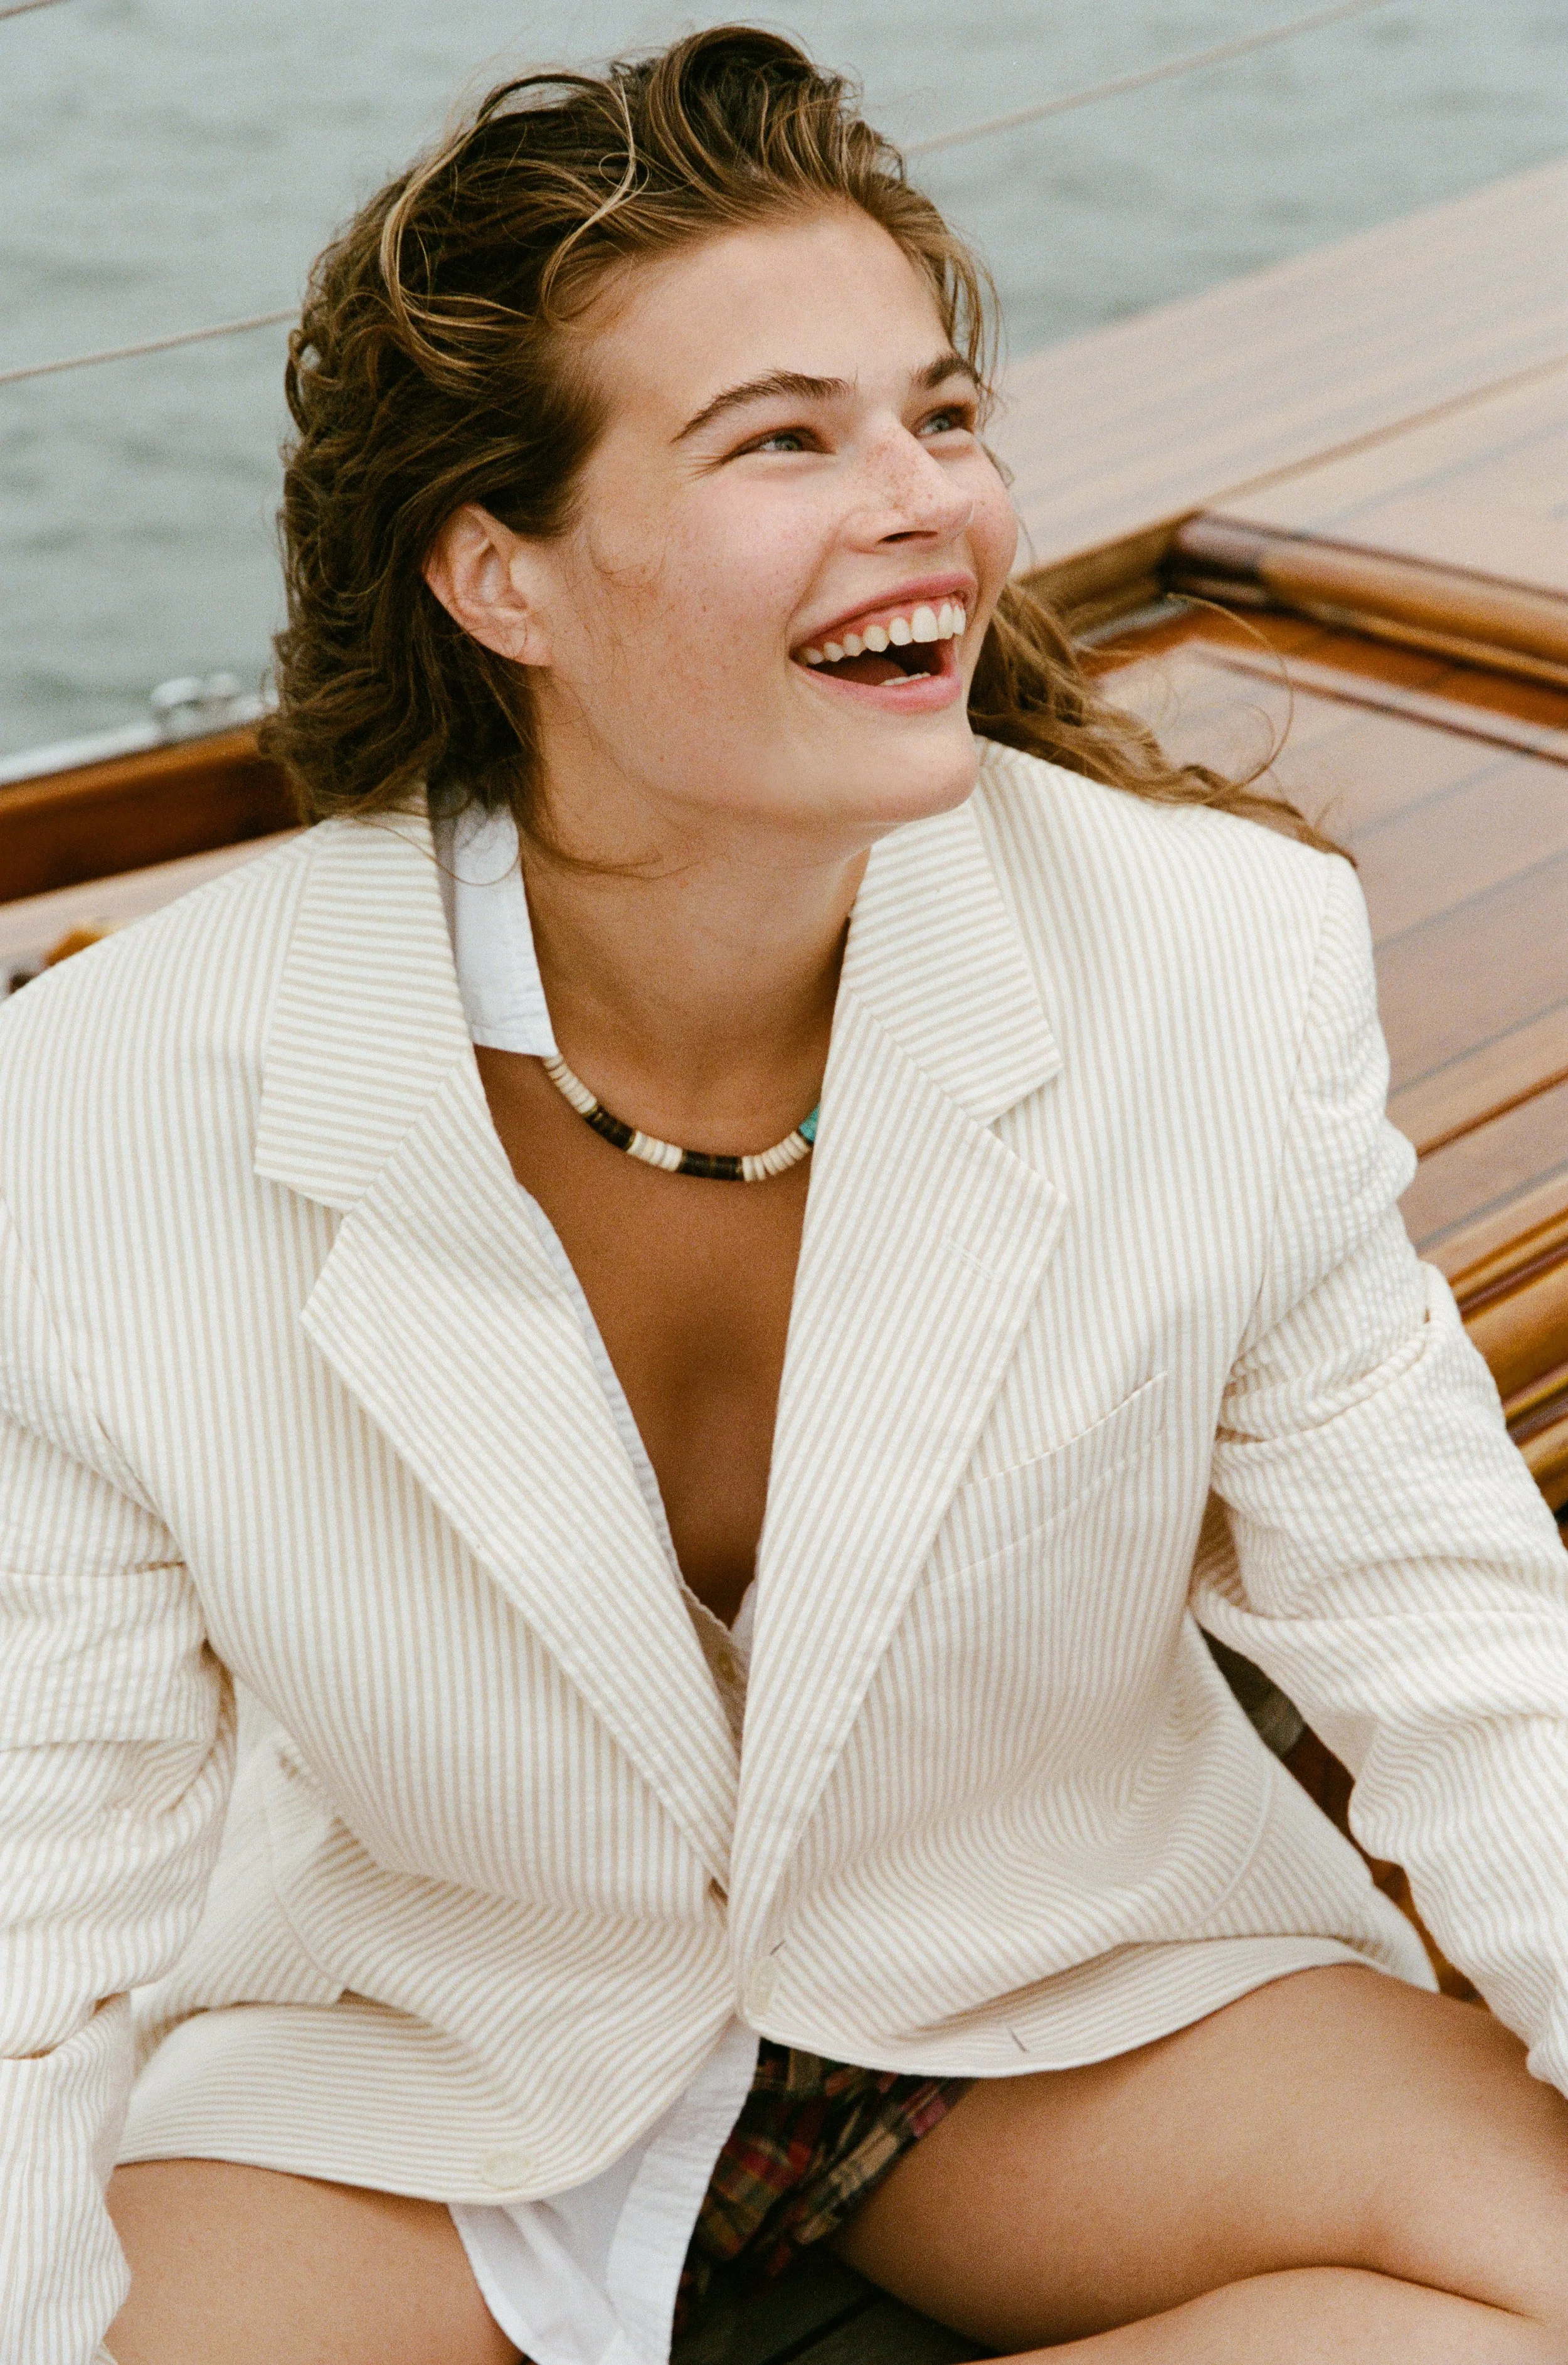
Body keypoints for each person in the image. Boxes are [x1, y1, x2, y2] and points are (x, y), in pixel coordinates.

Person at [4, 28, 1568, 2365]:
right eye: (785, 440)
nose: (927, 499)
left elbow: (1466, 1667)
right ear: (498, 572)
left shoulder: (1205, 966)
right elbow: (49, 1887)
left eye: (941, 416)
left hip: (1053, 2001)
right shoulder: (115, 1096)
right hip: (435, 2053)